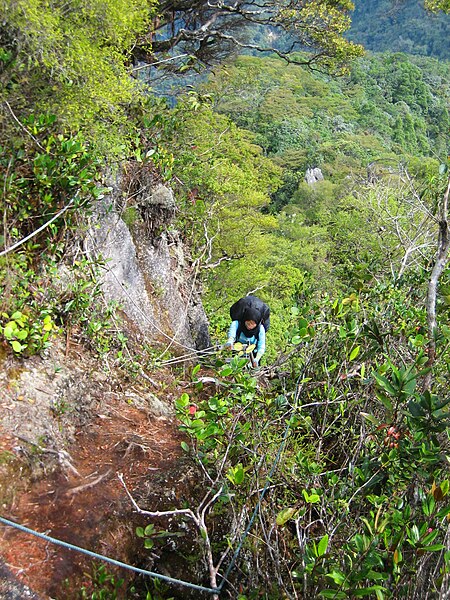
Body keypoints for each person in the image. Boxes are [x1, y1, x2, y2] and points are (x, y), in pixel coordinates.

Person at [225, 296, 270, 367]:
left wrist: (257, 359)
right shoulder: (237, 323)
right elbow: (232, 334)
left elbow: (261, 346)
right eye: (248, 323)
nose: (249, 326)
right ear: (245, 319)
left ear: (257, 323)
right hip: (237, 351)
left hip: (253, 354)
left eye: (253, 324)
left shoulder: (260, 329)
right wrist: (230, 342)